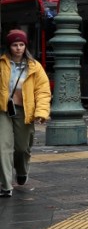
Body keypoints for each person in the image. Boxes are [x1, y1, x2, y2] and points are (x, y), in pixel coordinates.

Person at [0, 29, 50, 198]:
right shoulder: (1, 64)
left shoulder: (35, 67)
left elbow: (43, 91)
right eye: (15, 45)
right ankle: (6, 185)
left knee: (22, 148)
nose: (18, 48)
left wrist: (41, 112)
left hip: (24, 110)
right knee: (3, 147)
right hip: (3, 110)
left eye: (21, 44)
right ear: (9, 46)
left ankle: (21, 171)